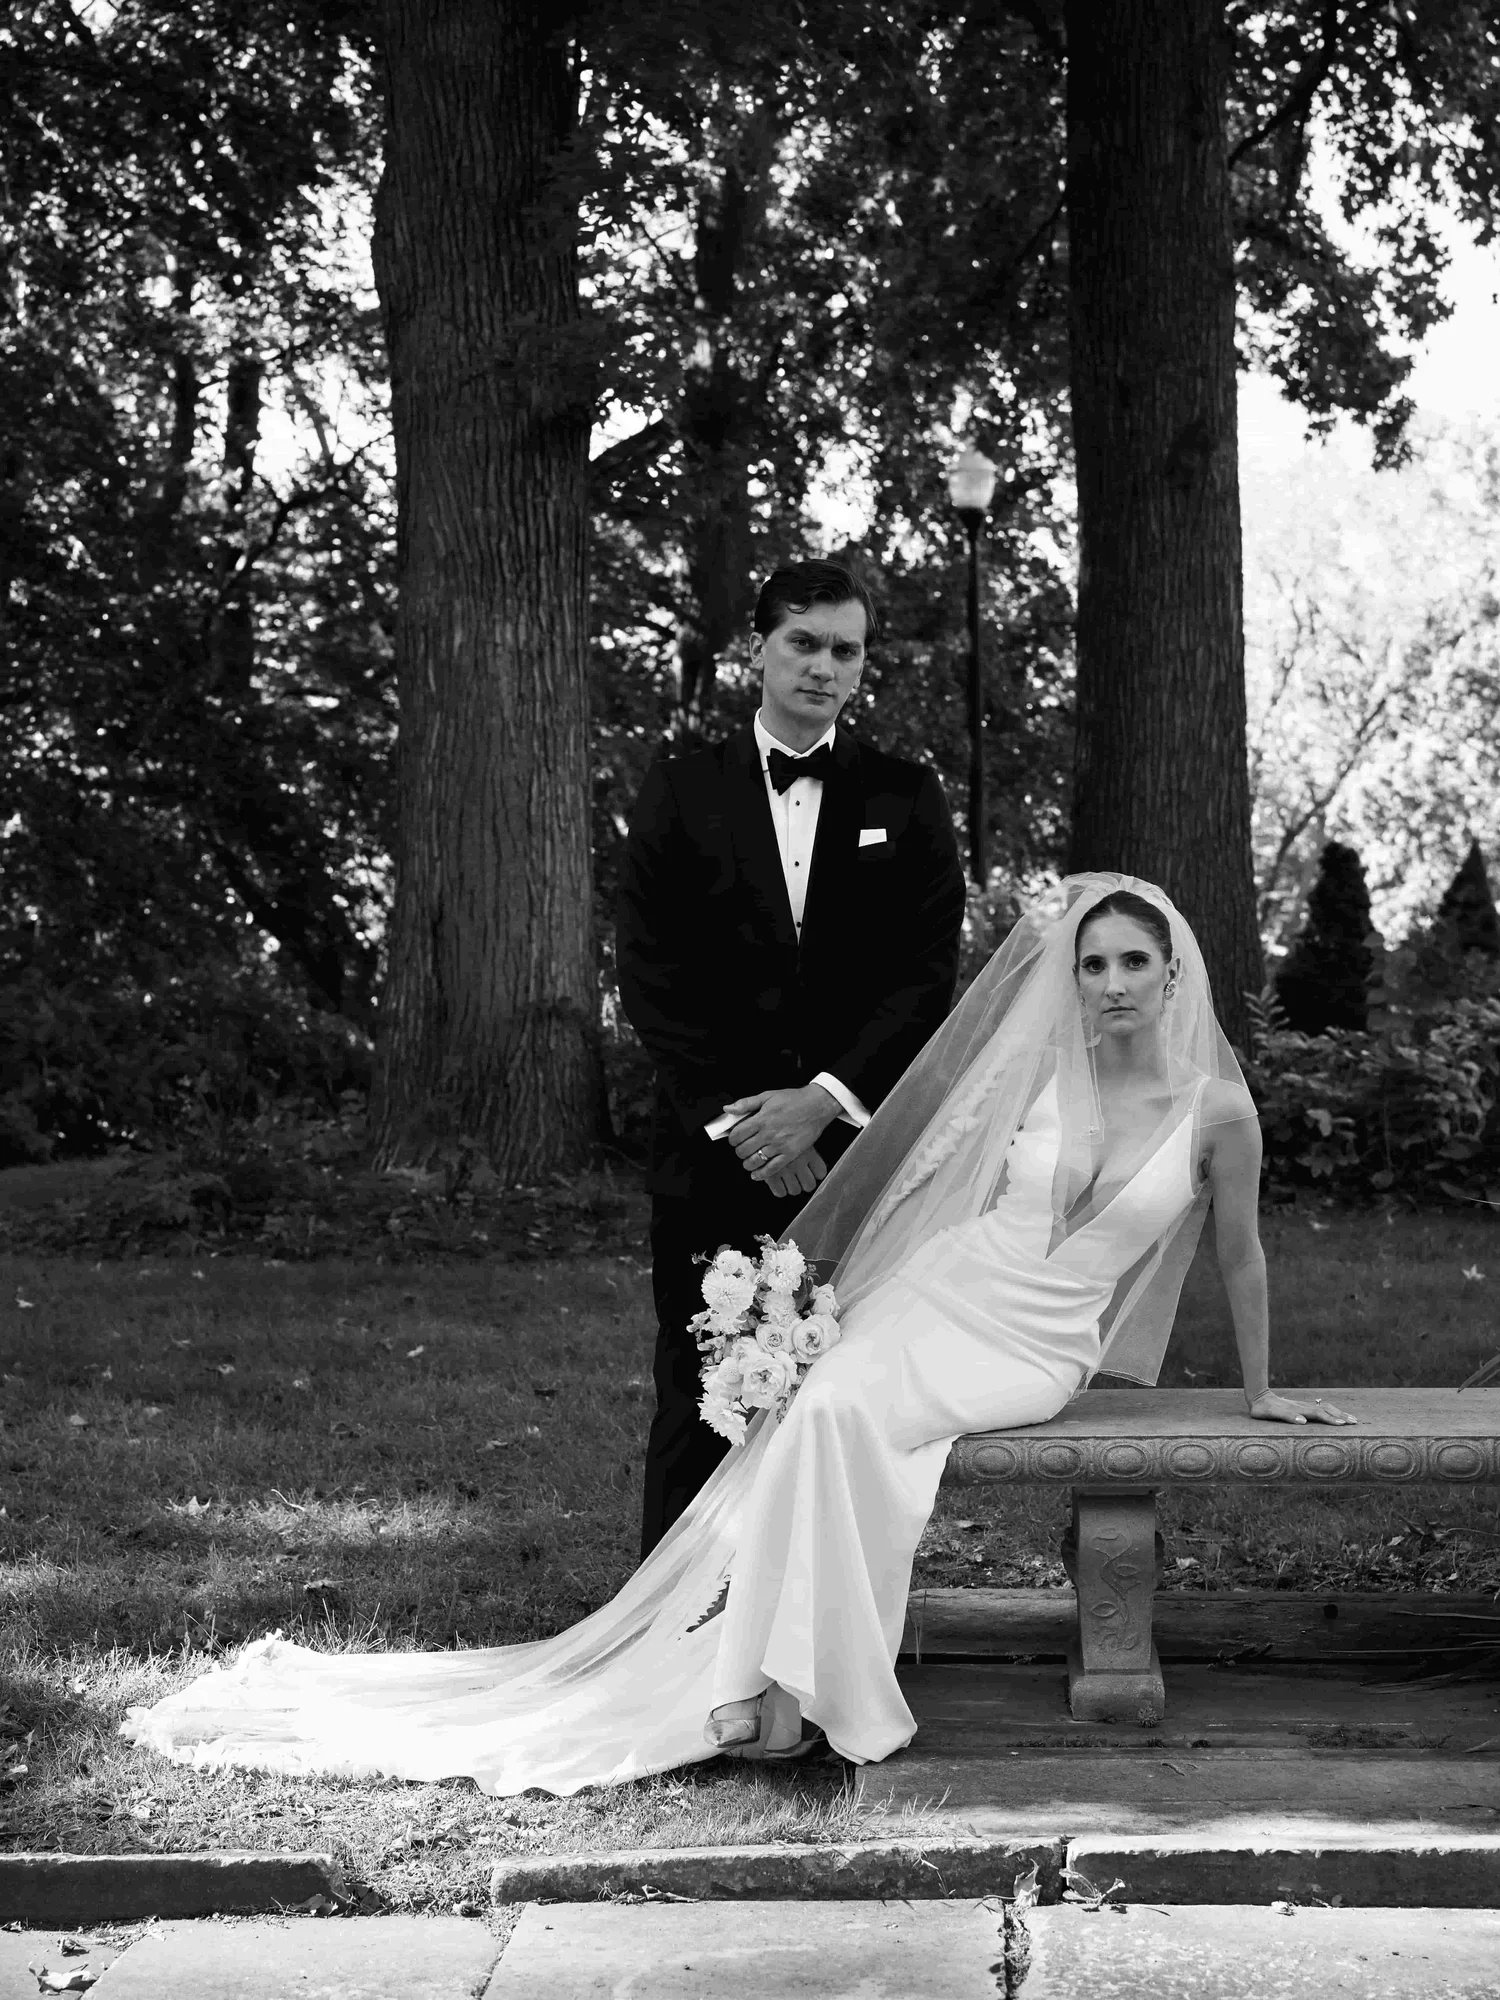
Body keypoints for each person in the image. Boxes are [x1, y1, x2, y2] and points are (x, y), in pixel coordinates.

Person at [121, 875, 1354, 1793]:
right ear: (1072, 977)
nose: (1115, 982)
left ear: (1174, 972)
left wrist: (1265, 1387)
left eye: (1136, 960)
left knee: (858, 1423)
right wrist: (834, 1285)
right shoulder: (1040, 1077)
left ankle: (803, 1681)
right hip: (942, 1292)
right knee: (823, 1410)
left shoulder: (1218, 1109)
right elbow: (936, 1180)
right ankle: (762, 1694)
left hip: (1037, 1342)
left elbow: (1239, 1250)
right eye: (1093, 964)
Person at [616, 559, 967, 1557]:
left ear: (862, 666)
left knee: (840, 1407)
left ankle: (818, 1643)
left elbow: (920, 977)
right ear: (757, 651)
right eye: (803, 643)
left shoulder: (906, 795)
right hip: (711, 1157)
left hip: (859, 1161)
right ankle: (673, 1653)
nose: (823, 665)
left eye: (844, 649)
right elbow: (650, 971)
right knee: (703, 1398)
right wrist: (746, 1123)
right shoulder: (682, 788)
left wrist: (821, 1102)